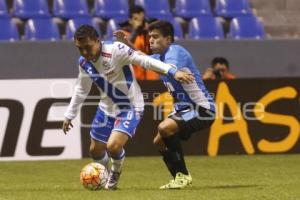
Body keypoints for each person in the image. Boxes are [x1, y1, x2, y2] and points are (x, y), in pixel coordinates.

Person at [62, 25, 194, 190]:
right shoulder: (84, 63)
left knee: (113, 146)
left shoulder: (116, 50)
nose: (85, 53)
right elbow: (81, 89)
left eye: (88, 47)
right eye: (80, 49)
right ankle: (102, 176)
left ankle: (114, 176)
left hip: (130, 107)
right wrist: (69, 115)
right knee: (95, 151)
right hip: (106, 108)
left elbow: (145, 60)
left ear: (97, 41)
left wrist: (172, 72)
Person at [114, 21, 216, 189]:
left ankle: (182, 176)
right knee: (159, 141)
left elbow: (170, 67)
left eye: (155, 37)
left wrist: (175, 73)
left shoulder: (176, 52)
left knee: (164, 128)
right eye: (149, 38)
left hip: (203, 109)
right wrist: (127, 43)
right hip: (184, 109)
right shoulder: (157, 59)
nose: (151, 41)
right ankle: (179, 177)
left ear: (168, 39)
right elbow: (142, 58)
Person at [119, 5, 159, 80]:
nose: (140, 23)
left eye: (142, 19)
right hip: (133, 77)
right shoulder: (123, 33)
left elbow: (155, 51)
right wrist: (136, 31)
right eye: (136, 19)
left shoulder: (148, 34)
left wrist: (149, 32)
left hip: (151, 77)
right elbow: (123, 48)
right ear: (130, 20)